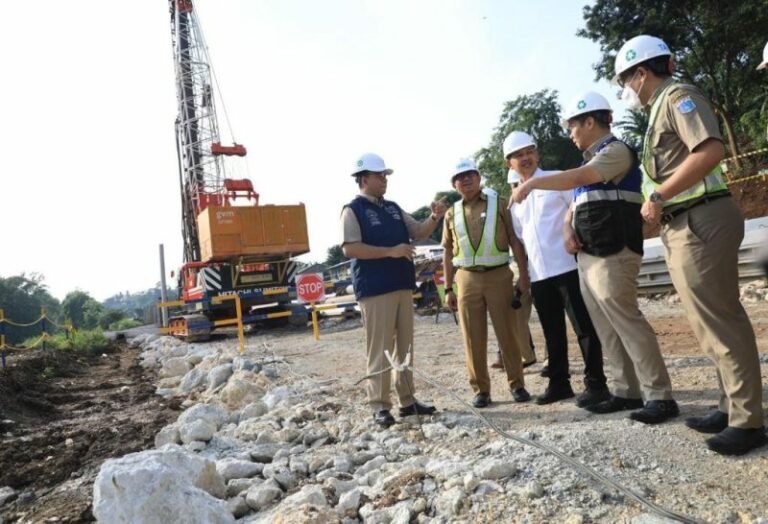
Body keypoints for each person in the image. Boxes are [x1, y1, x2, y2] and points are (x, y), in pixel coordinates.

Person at [614, 35, 766, 454]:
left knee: (720, 319)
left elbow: (711, 149)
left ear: (641, 73)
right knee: (706, 322)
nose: (626, 90)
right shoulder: (660, 106)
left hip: (701, 218)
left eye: (625, 80)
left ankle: (748, 419)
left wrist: (659, 195)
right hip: (687, 223)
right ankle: (729, 404)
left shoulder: (679, 97)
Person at [512, 92, 678, 423]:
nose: (570, 133)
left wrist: (531, 185)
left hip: (615, 249)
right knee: (606, 328)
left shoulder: (615, 152)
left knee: (627, 322)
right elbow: (576, 201)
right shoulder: (592, 160)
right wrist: (566, 229)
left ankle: (659, 395)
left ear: (590, 121)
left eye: (573, 126)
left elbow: (577, 180)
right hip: (589, 253)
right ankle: (625, 390)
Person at [503, 131, 609, 406]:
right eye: (518, 155)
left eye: (529, 151)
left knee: (583, 327)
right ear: (509, 163)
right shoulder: (515, 202)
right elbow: (522, 238)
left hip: (567, 267)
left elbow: (576, 201)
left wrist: (566, 224)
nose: (525, 158)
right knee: (552, 331)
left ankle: (596, 383)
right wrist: (524, 275)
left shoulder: (557, 179)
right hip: (540, 275)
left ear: (537, 154)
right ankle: (559, 384)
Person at [341, 152, 444, 428]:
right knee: (380, 348)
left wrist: (434, 217)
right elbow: (351, 248)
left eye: (385, 175)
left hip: (401, 285)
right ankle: (379, 405)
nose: (384, 180)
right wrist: (392, 251)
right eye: (379, 175)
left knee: (405, 347)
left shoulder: (394, 208)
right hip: (375, 289)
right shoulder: (353, 210)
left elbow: (420, 231)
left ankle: (407, 401)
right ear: (363, 179)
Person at [442, 158, 531, 408]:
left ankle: (518, 384)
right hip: (466, 279)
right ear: (454, 185)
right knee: (472, 336)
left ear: (479, 178)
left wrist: (524, 276)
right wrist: (448, 288)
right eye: (460, 177)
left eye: (470, 174)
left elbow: (515, 240)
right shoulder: (451, 213)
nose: (466, 180)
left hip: (499, 276)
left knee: (508, 333)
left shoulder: (499, 204)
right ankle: (481, 389)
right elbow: (447, 252)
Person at [492, 169, 540, 373]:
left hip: (543, 265)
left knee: (548, 315)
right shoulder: (509, 209)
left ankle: (548, 357)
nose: (516, 190)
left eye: (517, 185)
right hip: (521, 265)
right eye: (512, 186)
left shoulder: (539, 202)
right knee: (514, 311)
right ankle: (520, 355)